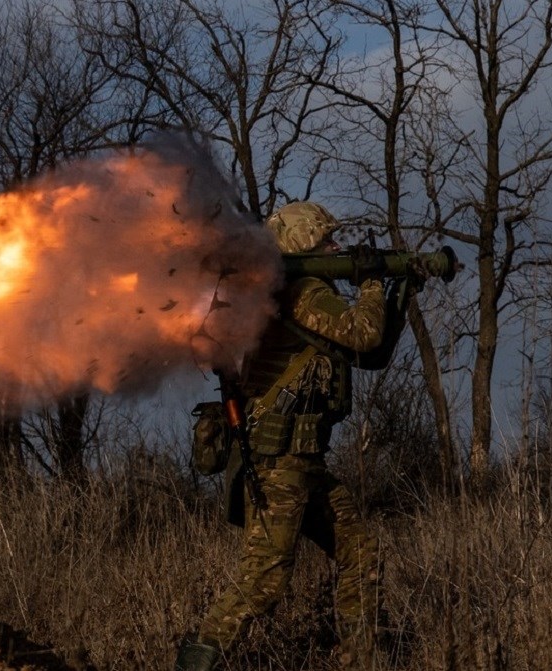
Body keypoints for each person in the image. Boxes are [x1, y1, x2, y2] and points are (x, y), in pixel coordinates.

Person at [176, 201, 413, 671]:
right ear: (305, 244)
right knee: (265, 576)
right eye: (326, 241)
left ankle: (362, 658)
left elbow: (369, 353)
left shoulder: (291, 292)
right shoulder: (302, 291)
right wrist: (369, 280)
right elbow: (362, 333)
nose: (336, 247)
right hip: (278, 463)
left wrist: (400, 290)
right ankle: (196, 661)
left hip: (302, 461)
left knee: (359, 551)